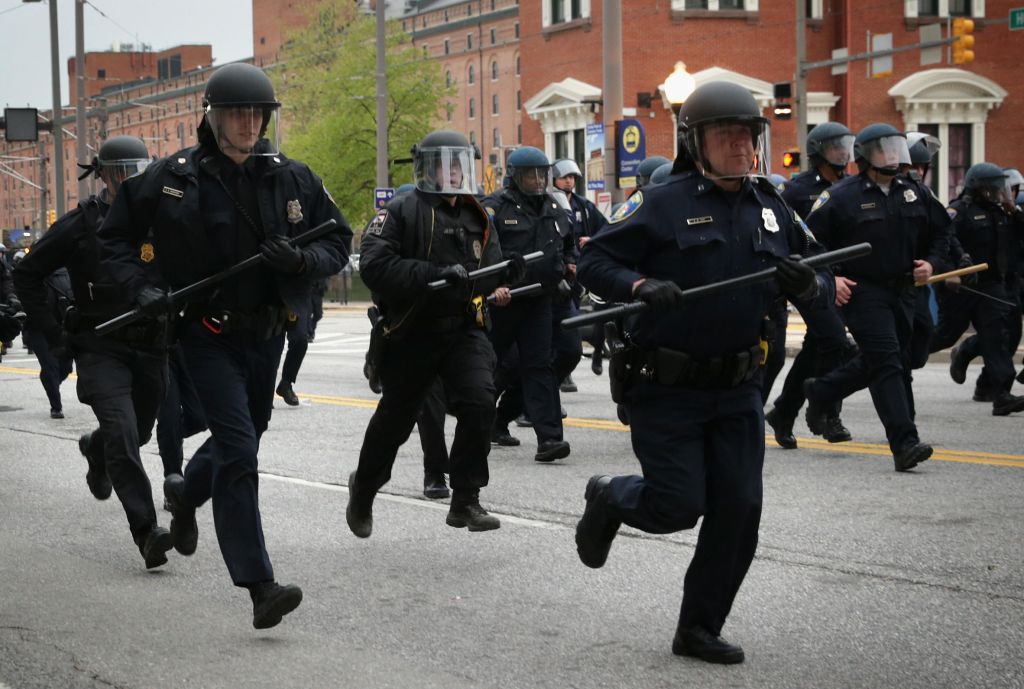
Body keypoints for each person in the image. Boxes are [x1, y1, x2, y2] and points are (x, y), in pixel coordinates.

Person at [575, 81, 824, 664]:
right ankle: (610, 497)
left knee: (739, 512)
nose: (740, 147)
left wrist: (809, 285)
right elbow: (594, 259)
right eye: (725, 135)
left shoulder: (773, 204)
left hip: (738, 387)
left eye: (748, 135)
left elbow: (814, 271)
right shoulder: (663, 202)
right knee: (678, 505)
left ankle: (698, 628)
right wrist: (639, 285)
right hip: (667, 387)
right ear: (696, 143)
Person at [98, 63, 350, 628]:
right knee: (239, 447)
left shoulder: (292, 177)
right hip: (205, 335)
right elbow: (114, 238)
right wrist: (142, 288)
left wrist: (303, 261)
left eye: (257, 113)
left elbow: (338, 237)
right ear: (211, 116)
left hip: (267, 335)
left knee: (247, 435)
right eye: (237, 112)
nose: (248, 122)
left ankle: (187, 495)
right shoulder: (172, 178)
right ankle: (260, 585)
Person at [346, 129, 522, 537]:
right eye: (444, 164)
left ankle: (465, 499)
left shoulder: (478, 215)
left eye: (459, 164)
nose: (454, 173)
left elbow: (485, 274)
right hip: (414, 331)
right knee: (396, 421)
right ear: (426, 168)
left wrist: (505, 272)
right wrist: (431, 275)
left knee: (480, 402)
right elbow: (373, 265)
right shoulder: (402, 210)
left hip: (464, 329)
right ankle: (365, 488)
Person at [12, 135, 175, 569]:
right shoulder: (82, 223)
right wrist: (52, 327)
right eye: (119, 173)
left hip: (150, 346)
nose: (127, 182)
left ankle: (95, 449)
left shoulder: (164, 219)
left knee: (135, 435)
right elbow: (27, 273)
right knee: (124, 434)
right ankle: (146, 531)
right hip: (100, 345)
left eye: (135, 172)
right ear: (102, 176)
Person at [803, 123, 951, 471]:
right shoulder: (841, 196)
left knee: (889, 358)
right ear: (865, 155)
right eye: (885, 148)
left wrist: (932, 262)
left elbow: (943, 233)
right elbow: (809, 242)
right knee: (886, 362)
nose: (894, 155)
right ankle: (905, 443)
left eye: (896, 147)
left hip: (903, 291)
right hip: (861, 290)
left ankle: (822, 390)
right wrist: (832, 276)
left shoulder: (914, 192)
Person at [765, 122, 857, 447]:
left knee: (818, 347)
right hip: (807, 278)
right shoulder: (796, 191)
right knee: (836, 343)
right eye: (835, 147)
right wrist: (827, 275)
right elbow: (790, 238)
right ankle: (827, 414)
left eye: (845, 145)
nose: (843, 153)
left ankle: (784, 412)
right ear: (818, 151)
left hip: (843, 279)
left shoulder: (852, 186)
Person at [484, 146, 572, 462]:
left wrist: (568, 268)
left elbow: (567, 245)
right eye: (529, 175)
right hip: (505, 302)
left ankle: (549, 439)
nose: (537, 180)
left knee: (539, 366)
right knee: (491, 367)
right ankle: (478, 431)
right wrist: (497, 285)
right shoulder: (494, 209)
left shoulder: (553, 207)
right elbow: (482, 254)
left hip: (539, 300)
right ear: (514, 176)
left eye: (541, 174)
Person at [929, 163, 1024, 415]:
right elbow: (941, 243)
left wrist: (1015, 212)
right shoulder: (958, 211)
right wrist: (948, 273)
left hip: (992, 286)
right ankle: (900, 359)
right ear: (979, 188)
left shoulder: (1004, 212)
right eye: (994, 188)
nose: (999, 192)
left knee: (997, 336)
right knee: (945, 335)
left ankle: (1001, 393)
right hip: (961, 287)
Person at [21, 266, 75, 418]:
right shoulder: (31, 272)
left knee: (65, 368)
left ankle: (50, 382)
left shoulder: (67, 272)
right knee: (51, 367)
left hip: (62, 327)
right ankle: (56, 407)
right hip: (39, 329)